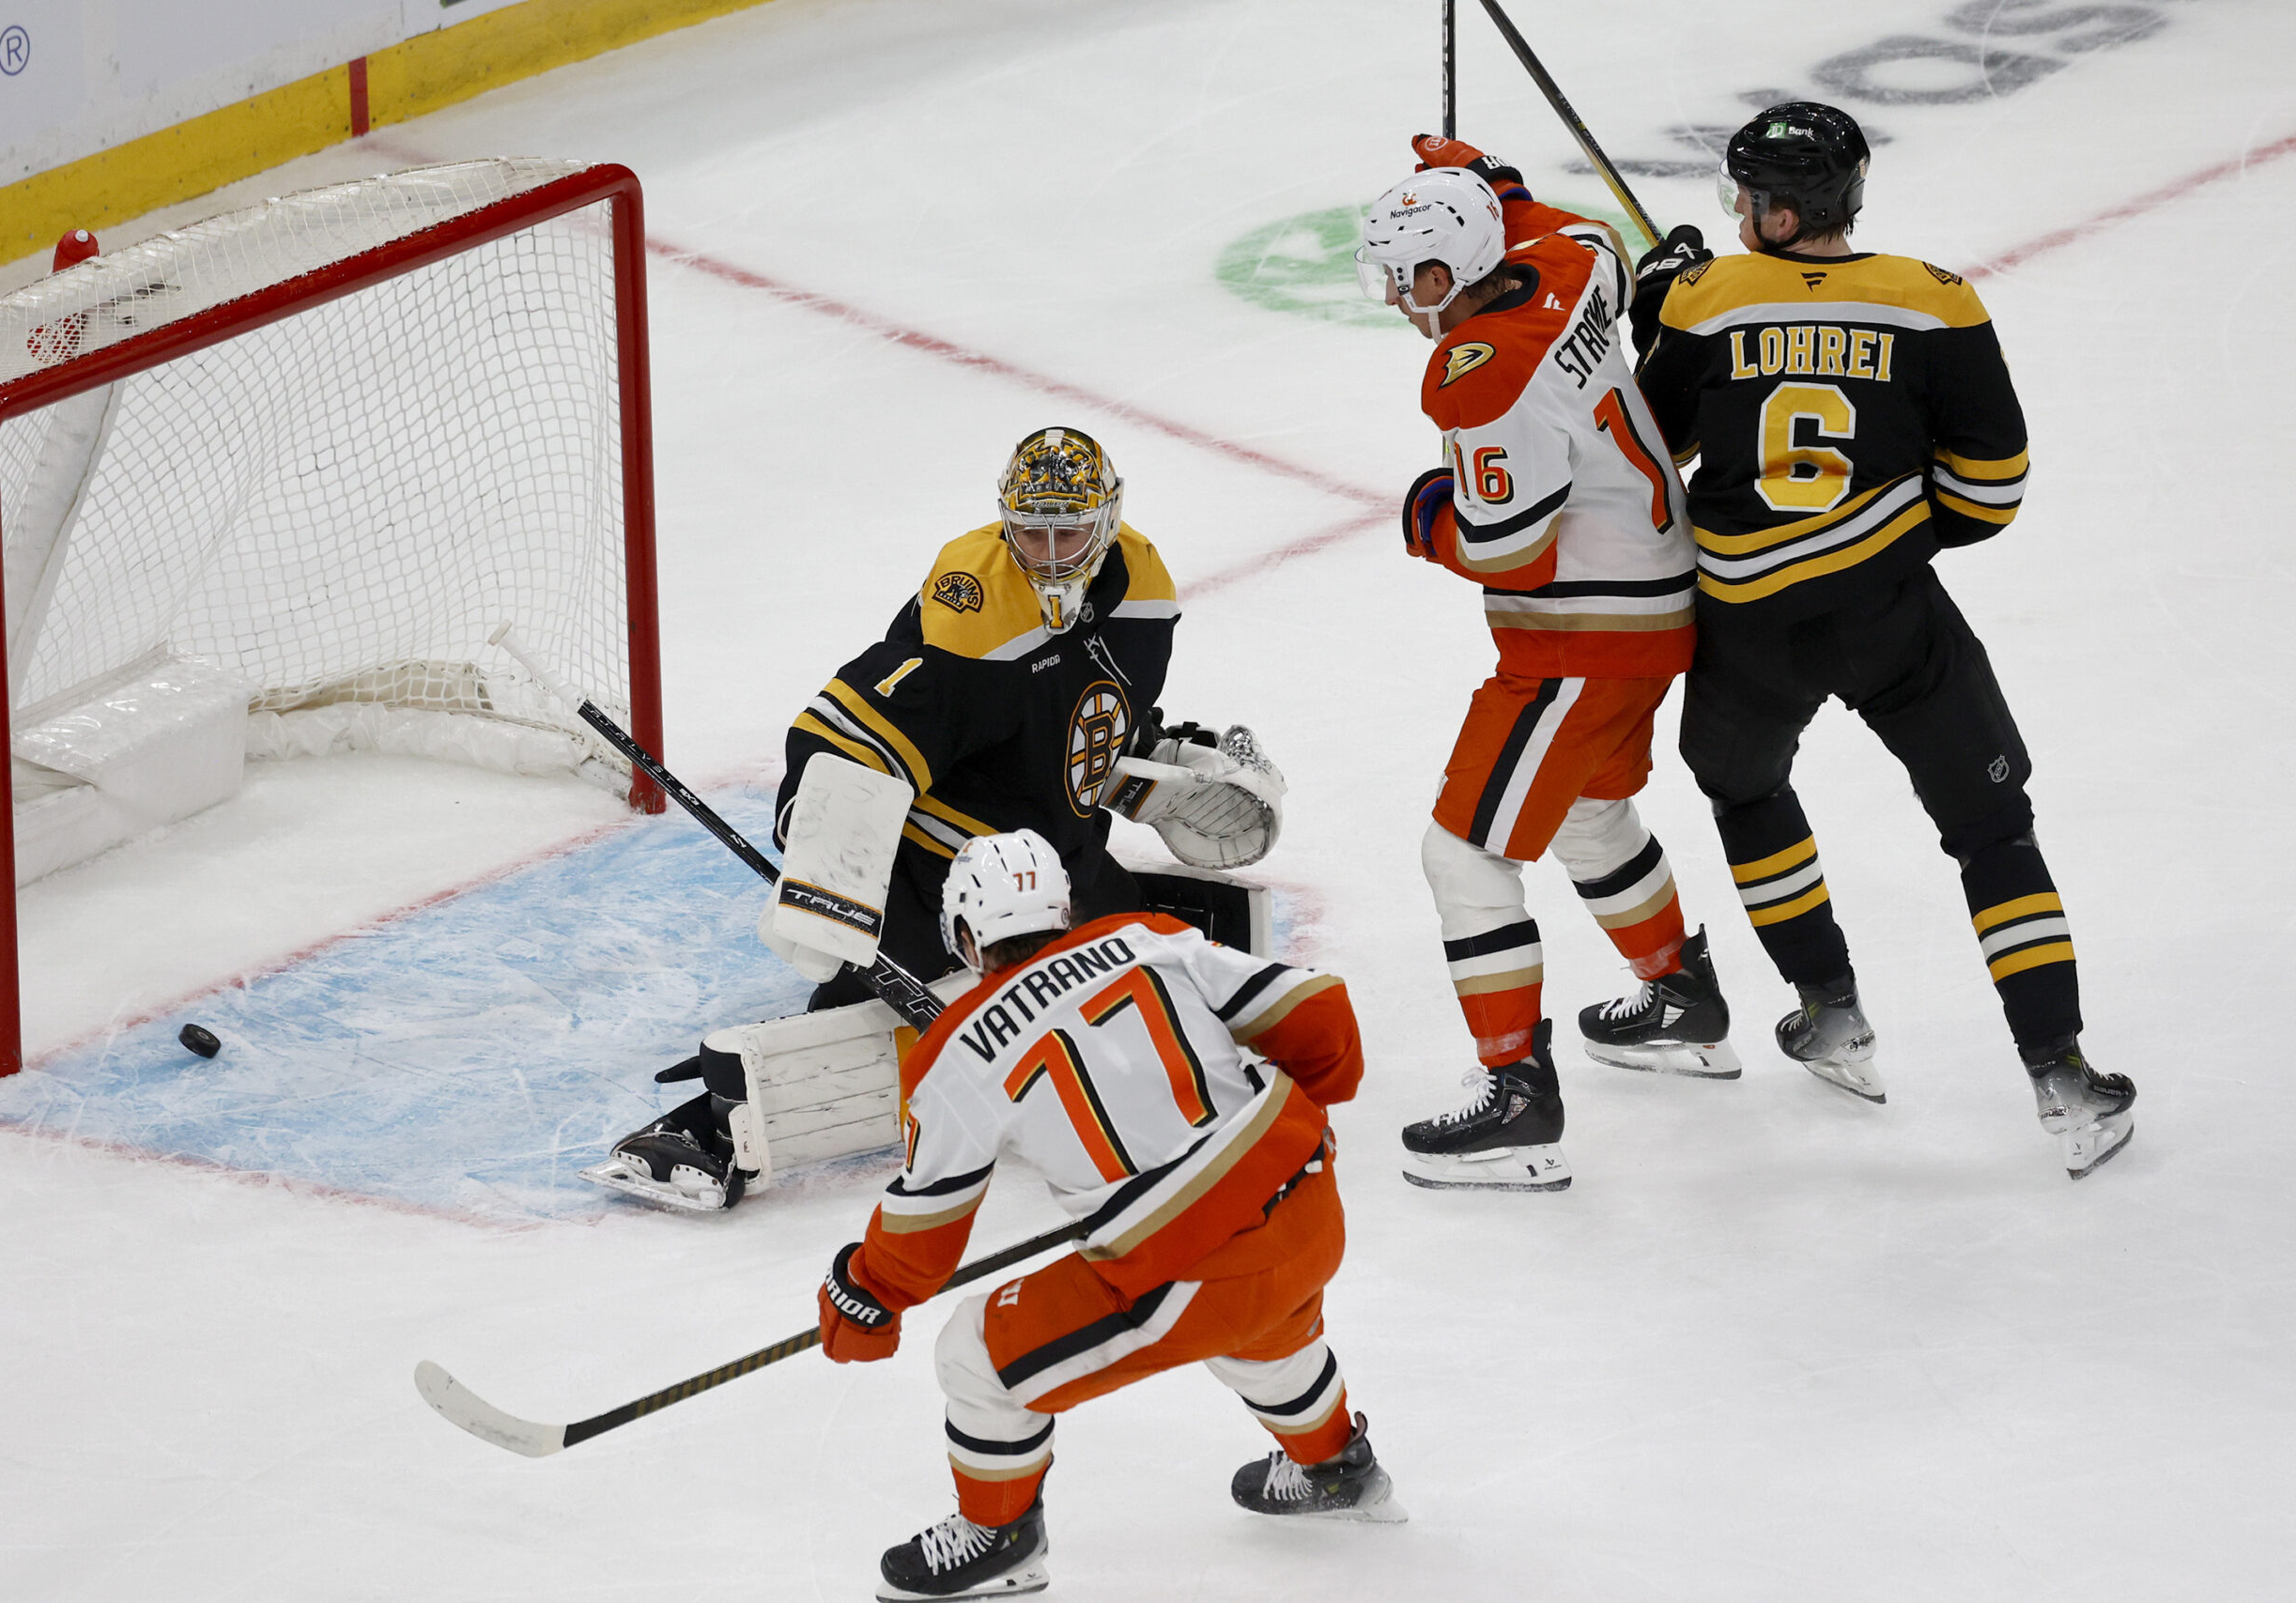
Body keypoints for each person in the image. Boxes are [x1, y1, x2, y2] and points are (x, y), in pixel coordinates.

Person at [589, 427, 1288, 1211]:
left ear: (1110, 521)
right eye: (1031, 530)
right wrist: (826, 854)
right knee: (992, 1028)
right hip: (942, 880)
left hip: (1058, 860)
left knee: (1131, 1000)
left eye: (1070, 530)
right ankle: (718, 1122)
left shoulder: (1144, 590)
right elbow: (846, 735)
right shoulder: (976, 608)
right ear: (1003, 520)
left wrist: (1156, 756)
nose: (1051, 552)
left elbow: (1081, 714)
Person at [1630, 101, 2134, 1177]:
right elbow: (1992, 487)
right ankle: (2061, 1072)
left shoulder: (1705, 298)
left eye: (1744, 200)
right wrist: (1890, 539)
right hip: (1893, 619)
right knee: (1993, 830)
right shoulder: (1932, 299)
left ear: (1772, 210)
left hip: (1745, 627)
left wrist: (1653, 320)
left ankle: (1828, 1014)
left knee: (1745, 794)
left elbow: (1649, 450)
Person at [815, 829, 1399, 1601]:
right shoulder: (1148, 937)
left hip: (1192, 1273)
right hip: (1312, 1211)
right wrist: (1287, 1115)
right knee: (1264, 1319)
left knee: (976, 1355)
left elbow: (923, 1234)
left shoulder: (954, 1054)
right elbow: (1322, 1012)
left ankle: (1000, 1538)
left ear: (963, 936)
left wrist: (865, 1292)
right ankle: (1333, 1466)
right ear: (1064, 907)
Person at [1356, 136, 1736, 1195]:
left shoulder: (1483, 378)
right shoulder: (1572, 259)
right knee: (1586, 816)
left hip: (1578, 636)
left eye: (1408, 275)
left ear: (1451, 271)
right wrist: (1491, 181)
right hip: (1654, 605)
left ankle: (1516, 1098)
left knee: (1463, 855)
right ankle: (1681, 1001)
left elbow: (1510, 547)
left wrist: (1425, 516)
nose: (1394, 295)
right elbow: (1575, 236)